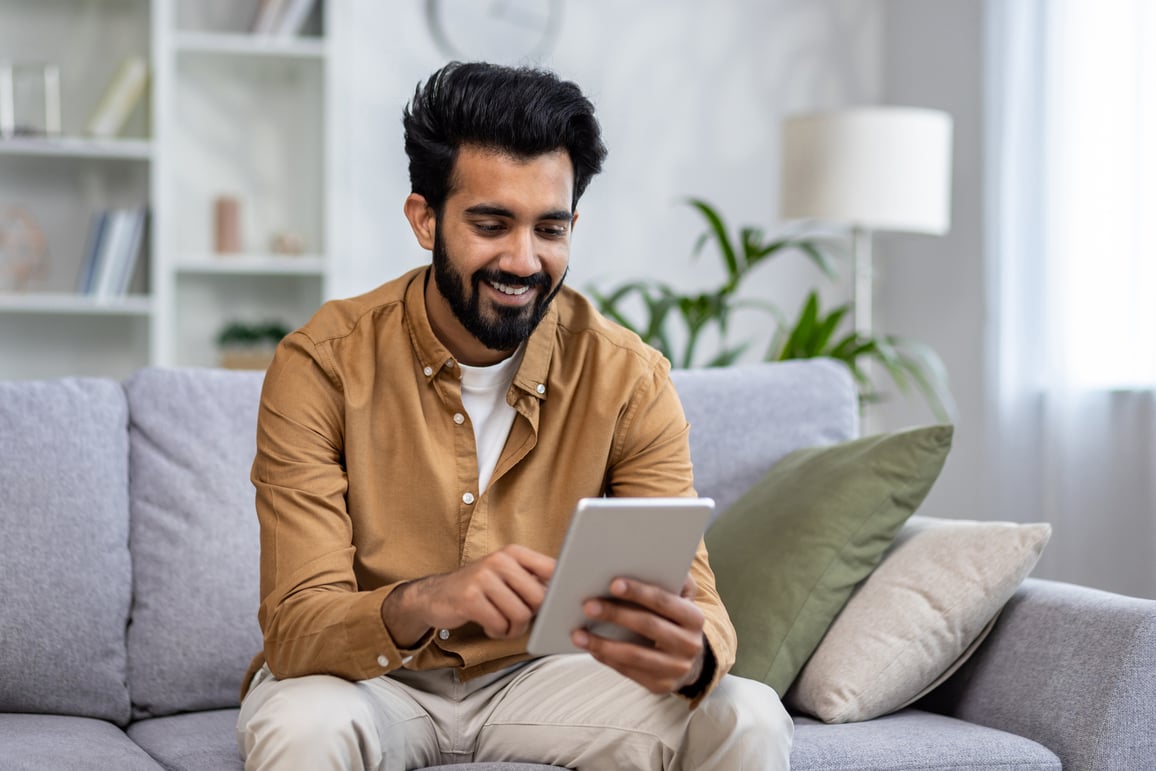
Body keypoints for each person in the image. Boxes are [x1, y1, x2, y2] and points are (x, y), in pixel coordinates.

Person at [236, 61, 792, 770]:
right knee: (303, 724)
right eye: (491, 224)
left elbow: (702, 605)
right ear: (425, 218)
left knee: (747, 715)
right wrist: (431, 598)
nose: (524, 260)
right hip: (374, 681)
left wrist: (690, 655)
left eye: (549, 229)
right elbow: (296, 628)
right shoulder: (321, 364)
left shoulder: (628, 377)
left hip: (547, 679)